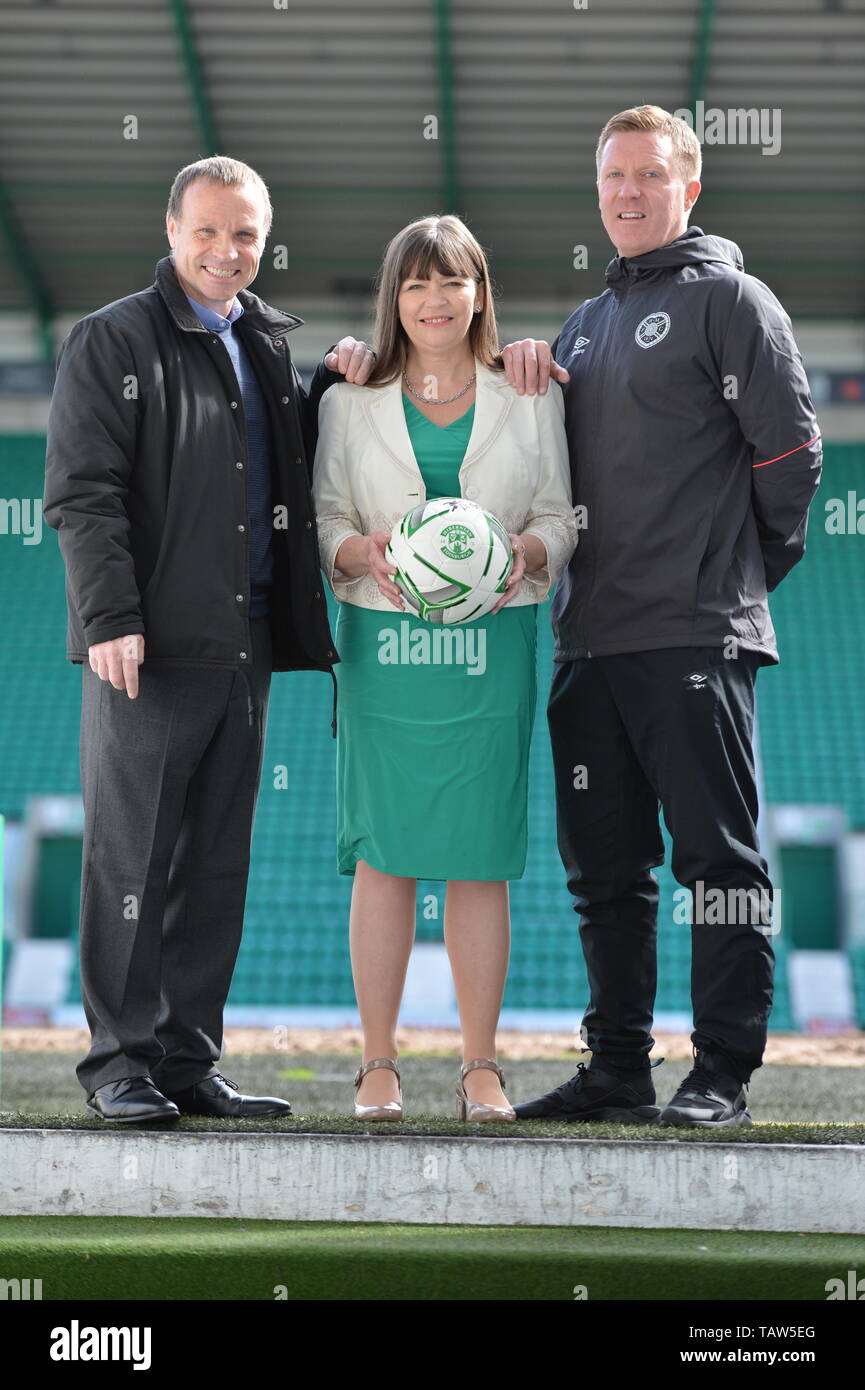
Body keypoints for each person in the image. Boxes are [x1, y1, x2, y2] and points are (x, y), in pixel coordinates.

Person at [501, 105, 822, 1128]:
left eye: (647, 174)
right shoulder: (586, 323)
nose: (627, 193)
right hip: (586, 640)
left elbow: (791, 455)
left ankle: (720, 1070)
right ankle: (617, 1069)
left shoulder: (731, 299)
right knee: (604, 873)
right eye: (612, 178)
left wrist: (729, 573)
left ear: (689, 186)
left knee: (717, 863)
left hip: (691, 632)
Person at [43, 155, 375, 1124]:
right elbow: (81, 492)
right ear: (172, 229)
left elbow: (275, 464)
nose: (227, 251)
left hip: (244, 650)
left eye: (245, 235)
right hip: (149, 651)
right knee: (131, 864)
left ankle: (186, 1061)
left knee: (214, 866)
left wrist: (330, 386)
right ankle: (118, 1064)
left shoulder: (264, 341)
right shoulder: (113, 340)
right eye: (208, 231)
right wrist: (110, 618)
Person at [313, 214, 579, 1122]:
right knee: (383, 859)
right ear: (394, 297)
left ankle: (479, 1069)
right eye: (416, 283)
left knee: (478, 859)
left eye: (452, 282)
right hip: (383, 645)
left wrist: (520, 554)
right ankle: (377, 1065)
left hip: (491, 641)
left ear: (478, 293)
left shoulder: (529, 392)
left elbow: (562, 516)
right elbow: (322, 522)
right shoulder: (348, 399)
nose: (435, 300)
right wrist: (363, 553)